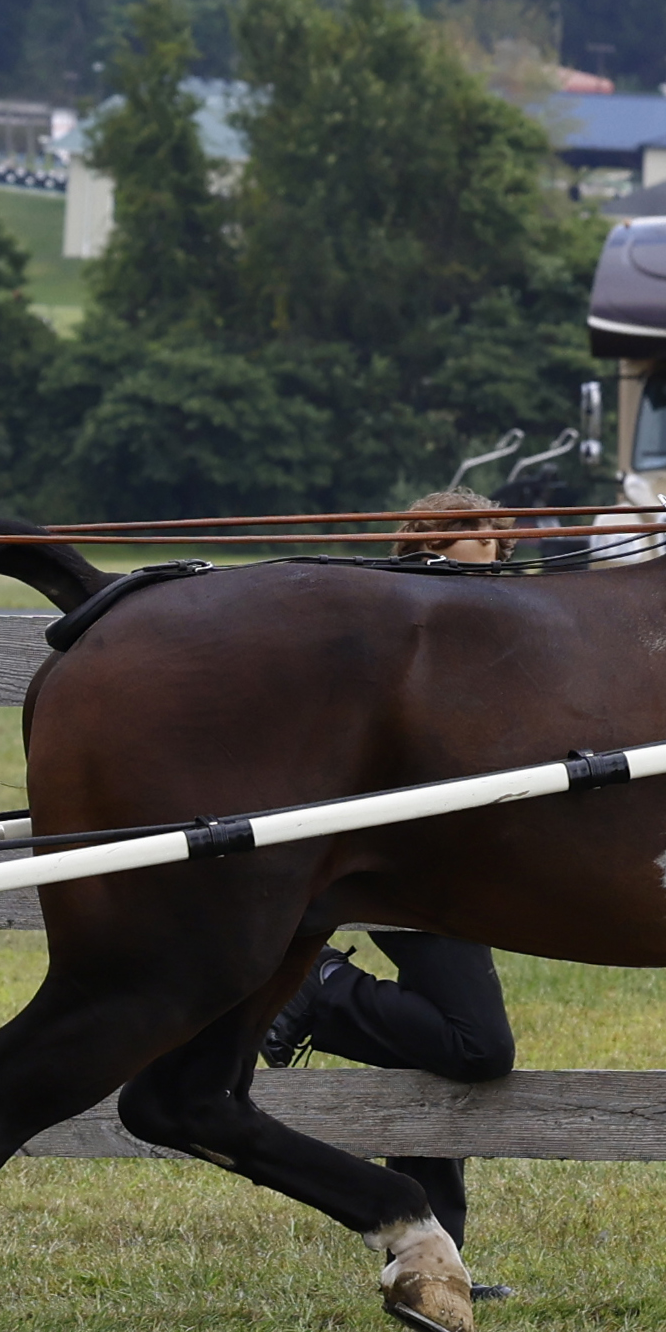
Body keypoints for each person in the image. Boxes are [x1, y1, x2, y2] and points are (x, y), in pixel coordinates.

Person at [258, 490, 522, 1265]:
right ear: (425, 550)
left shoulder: (488, 620)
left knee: (431, 1045)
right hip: (406, 865)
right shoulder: (413, 625)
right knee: (479, 1048)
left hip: (451, 864)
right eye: (473, 545)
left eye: (498, 546)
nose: (495, 554)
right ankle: (320, 991)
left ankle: (436, 1253)